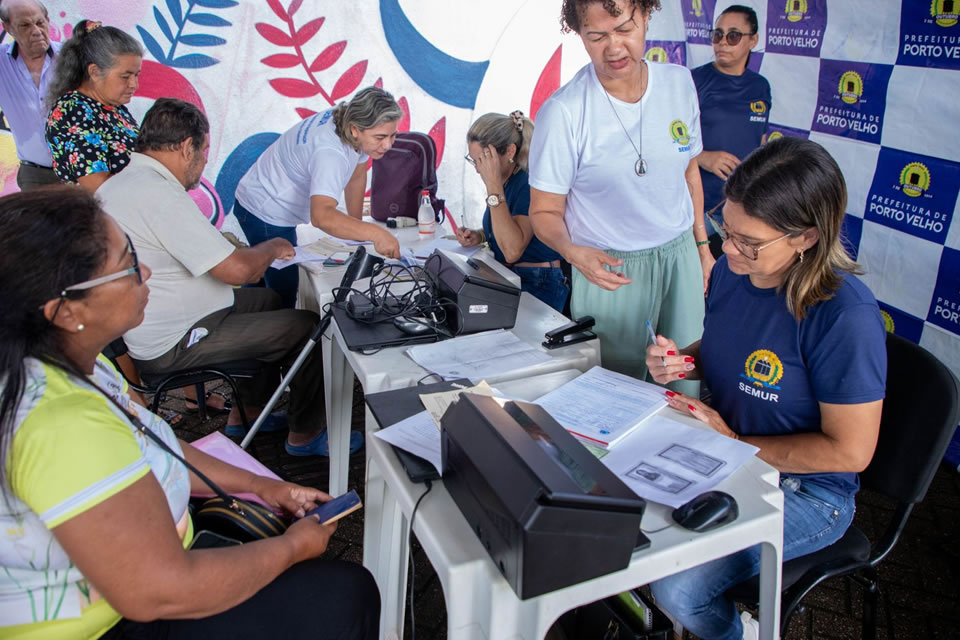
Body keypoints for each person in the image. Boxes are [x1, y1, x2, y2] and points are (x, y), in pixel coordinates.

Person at [0, 186, 380, 639]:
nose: (143, 272)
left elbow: (151, 440)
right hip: (107, 625)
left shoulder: (70, 363)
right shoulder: (60, 423)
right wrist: (292, 549)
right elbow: (161, 590)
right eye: (125, 267)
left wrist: (264, 486)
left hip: (145, 583)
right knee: (345, 592)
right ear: (65, 312)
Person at [645, 137, 886, 640]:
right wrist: (681, 360)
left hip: (809, 491)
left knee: (680, 590)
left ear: (805, 238)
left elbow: (852, 450)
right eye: (724, 229)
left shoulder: (844, 317)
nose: (728, 249)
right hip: (730, 454)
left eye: (748, 241)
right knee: (630, 530)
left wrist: (735, 445)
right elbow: (720, 350)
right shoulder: (737, 271)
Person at [97, 98, 361, 457]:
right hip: (173, 340)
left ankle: (249, 413)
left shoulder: (125, 182)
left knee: (267, 301)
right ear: (187, 147)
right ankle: (307, 434)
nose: (204, 162)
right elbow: (238, 270)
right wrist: (272, 247)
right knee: (308, 326)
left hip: (169, 317)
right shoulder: (158, 193)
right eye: (205, 152)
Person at [529, 0, 714, 391]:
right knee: (616, 390)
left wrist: (701, 248)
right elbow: (544, 211)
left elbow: (690, 171)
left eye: (625, 30)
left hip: (680, 255)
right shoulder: (564, 112)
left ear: (647, 17)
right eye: (596, 36)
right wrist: (572, 251)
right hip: (609, 268)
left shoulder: (678, 82)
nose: (613, 48)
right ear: (579, 34)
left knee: (685, 378)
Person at [234, 86, 403, 308]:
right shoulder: (330, 153)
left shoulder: (349, 122)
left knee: (261, 276)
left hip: (261, 196)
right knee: (282, 290)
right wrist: (377, 234)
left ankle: (245, 319)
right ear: (355, 129)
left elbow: (357, 175)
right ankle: (270, 338)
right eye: (380, 137)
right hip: (265, 209)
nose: (388, 144)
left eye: (393, 135)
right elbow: (322, 216)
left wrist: (357, 231)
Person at [456, 111, 569, 311]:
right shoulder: (507, 182)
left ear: (509, 151)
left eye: (482, 160)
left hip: (538, 283)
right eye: (473, 161)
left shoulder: (528, 183)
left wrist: (493, 187)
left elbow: (512, 251)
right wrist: (481, 235)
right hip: (512, 277)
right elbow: (509, 227)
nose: (477, 169)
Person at [692, 5, 771, 256]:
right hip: (697, 211)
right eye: (718, 34)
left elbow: (761, 142)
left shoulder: (760, 87)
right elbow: (661, 138)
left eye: (733, 35)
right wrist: (703, 157)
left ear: (753, 40)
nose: (723, 42)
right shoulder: (693, 81)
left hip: (742, 210)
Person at [44, 18, 141, 192]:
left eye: (136, 75)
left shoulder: (114, 107)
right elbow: (99, 186)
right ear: (95, 72)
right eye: (125, 76)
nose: (134, 84)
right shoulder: (72, 111)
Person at [0, 0, 60, 190]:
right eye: (25, 25)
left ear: (48, 20)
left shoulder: (73, 56)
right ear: (8, 28)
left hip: (81, 171)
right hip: (34, 175)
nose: (36, 30)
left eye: (40, 22)